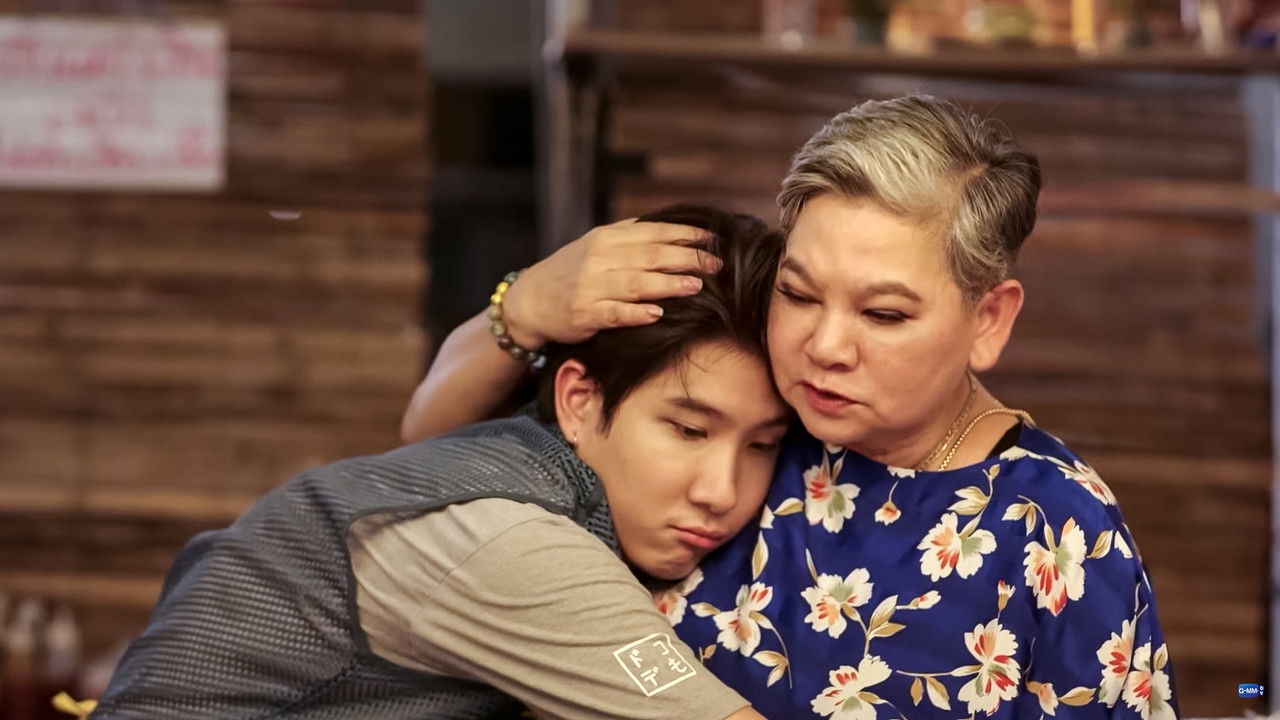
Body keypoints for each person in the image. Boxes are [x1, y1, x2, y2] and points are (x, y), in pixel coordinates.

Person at [401, 95, 1179, 720]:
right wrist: (523, 306)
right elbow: (438, 463)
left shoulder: (1056, 533)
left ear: (989, 320)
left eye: (883, 314)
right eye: (799, 294)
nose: (825, 346)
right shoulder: (757, 411)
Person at [89, 205, 792, 720]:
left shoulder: (521, 455)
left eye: (763, 445)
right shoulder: (513, 545)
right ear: (578, 401)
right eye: (688, 430)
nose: (721, 491)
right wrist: (522, 303)